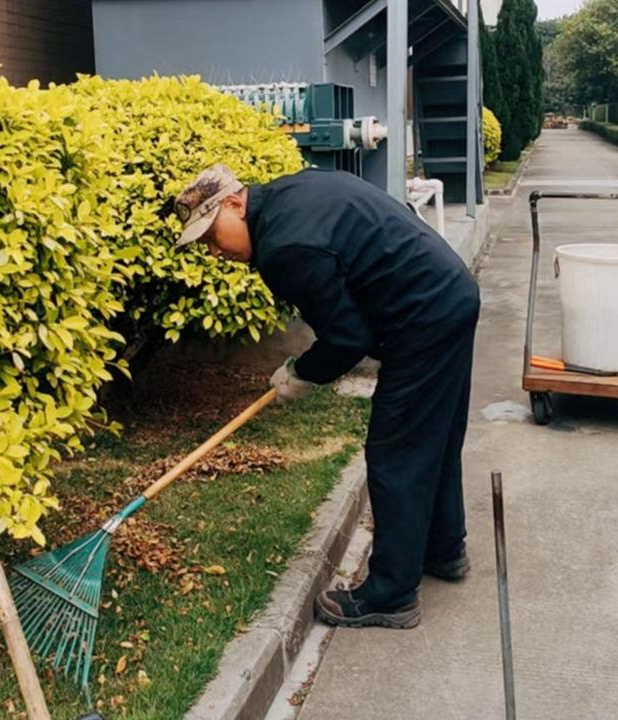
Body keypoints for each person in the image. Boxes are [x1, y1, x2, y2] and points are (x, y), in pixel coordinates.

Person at [173, 164, 480, 629]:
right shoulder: (290, 193)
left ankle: (391, 595)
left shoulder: (284, 247)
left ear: (235, 204)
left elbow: (347, 337)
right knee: (433, 437)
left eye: (212, 236)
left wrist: (301, 372)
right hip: (450, 294)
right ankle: (443, 549)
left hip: (424, 318)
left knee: (396, 452)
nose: (214, 251)